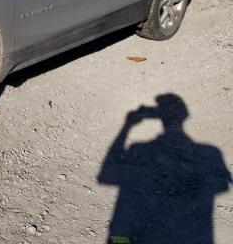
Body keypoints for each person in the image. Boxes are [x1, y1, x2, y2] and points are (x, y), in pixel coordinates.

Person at [98, 94, 231, 244]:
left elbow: (106, 174)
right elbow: (222, 186)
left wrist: (127, 126)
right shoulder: (210, 153)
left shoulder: (140, 150)